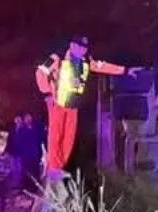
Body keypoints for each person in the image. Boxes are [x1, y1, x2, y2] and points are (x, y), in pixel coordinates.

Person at [36, 36, 138, 177]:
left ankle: (60, 166)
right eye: (79, 46)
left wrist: (124, 71)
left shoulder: (86, 61)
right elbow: (41, 72)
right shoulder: (57, 58)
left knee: (69, 137)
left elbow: (102, 66)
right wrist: (46, 93)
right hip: (57, 102)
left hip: (73, 104)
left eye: (84, 47)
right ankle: (53, 167)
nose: (82, 50)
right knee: (56, 135)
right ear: (72, 45)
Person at [6, 114, 26, 191]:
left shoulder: (24, 129)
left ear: (21, 120)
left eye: (19, 119)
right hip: (12, 152)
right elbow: (9, 140)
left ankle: (19, 183)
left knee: (19, 169)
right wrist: (7, 150)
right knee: (13, 168)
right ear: (14, 120)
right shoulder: (12, 129)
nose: (17, 120)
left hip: (20, 153)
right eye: (16, 118)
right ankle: (15, 183)